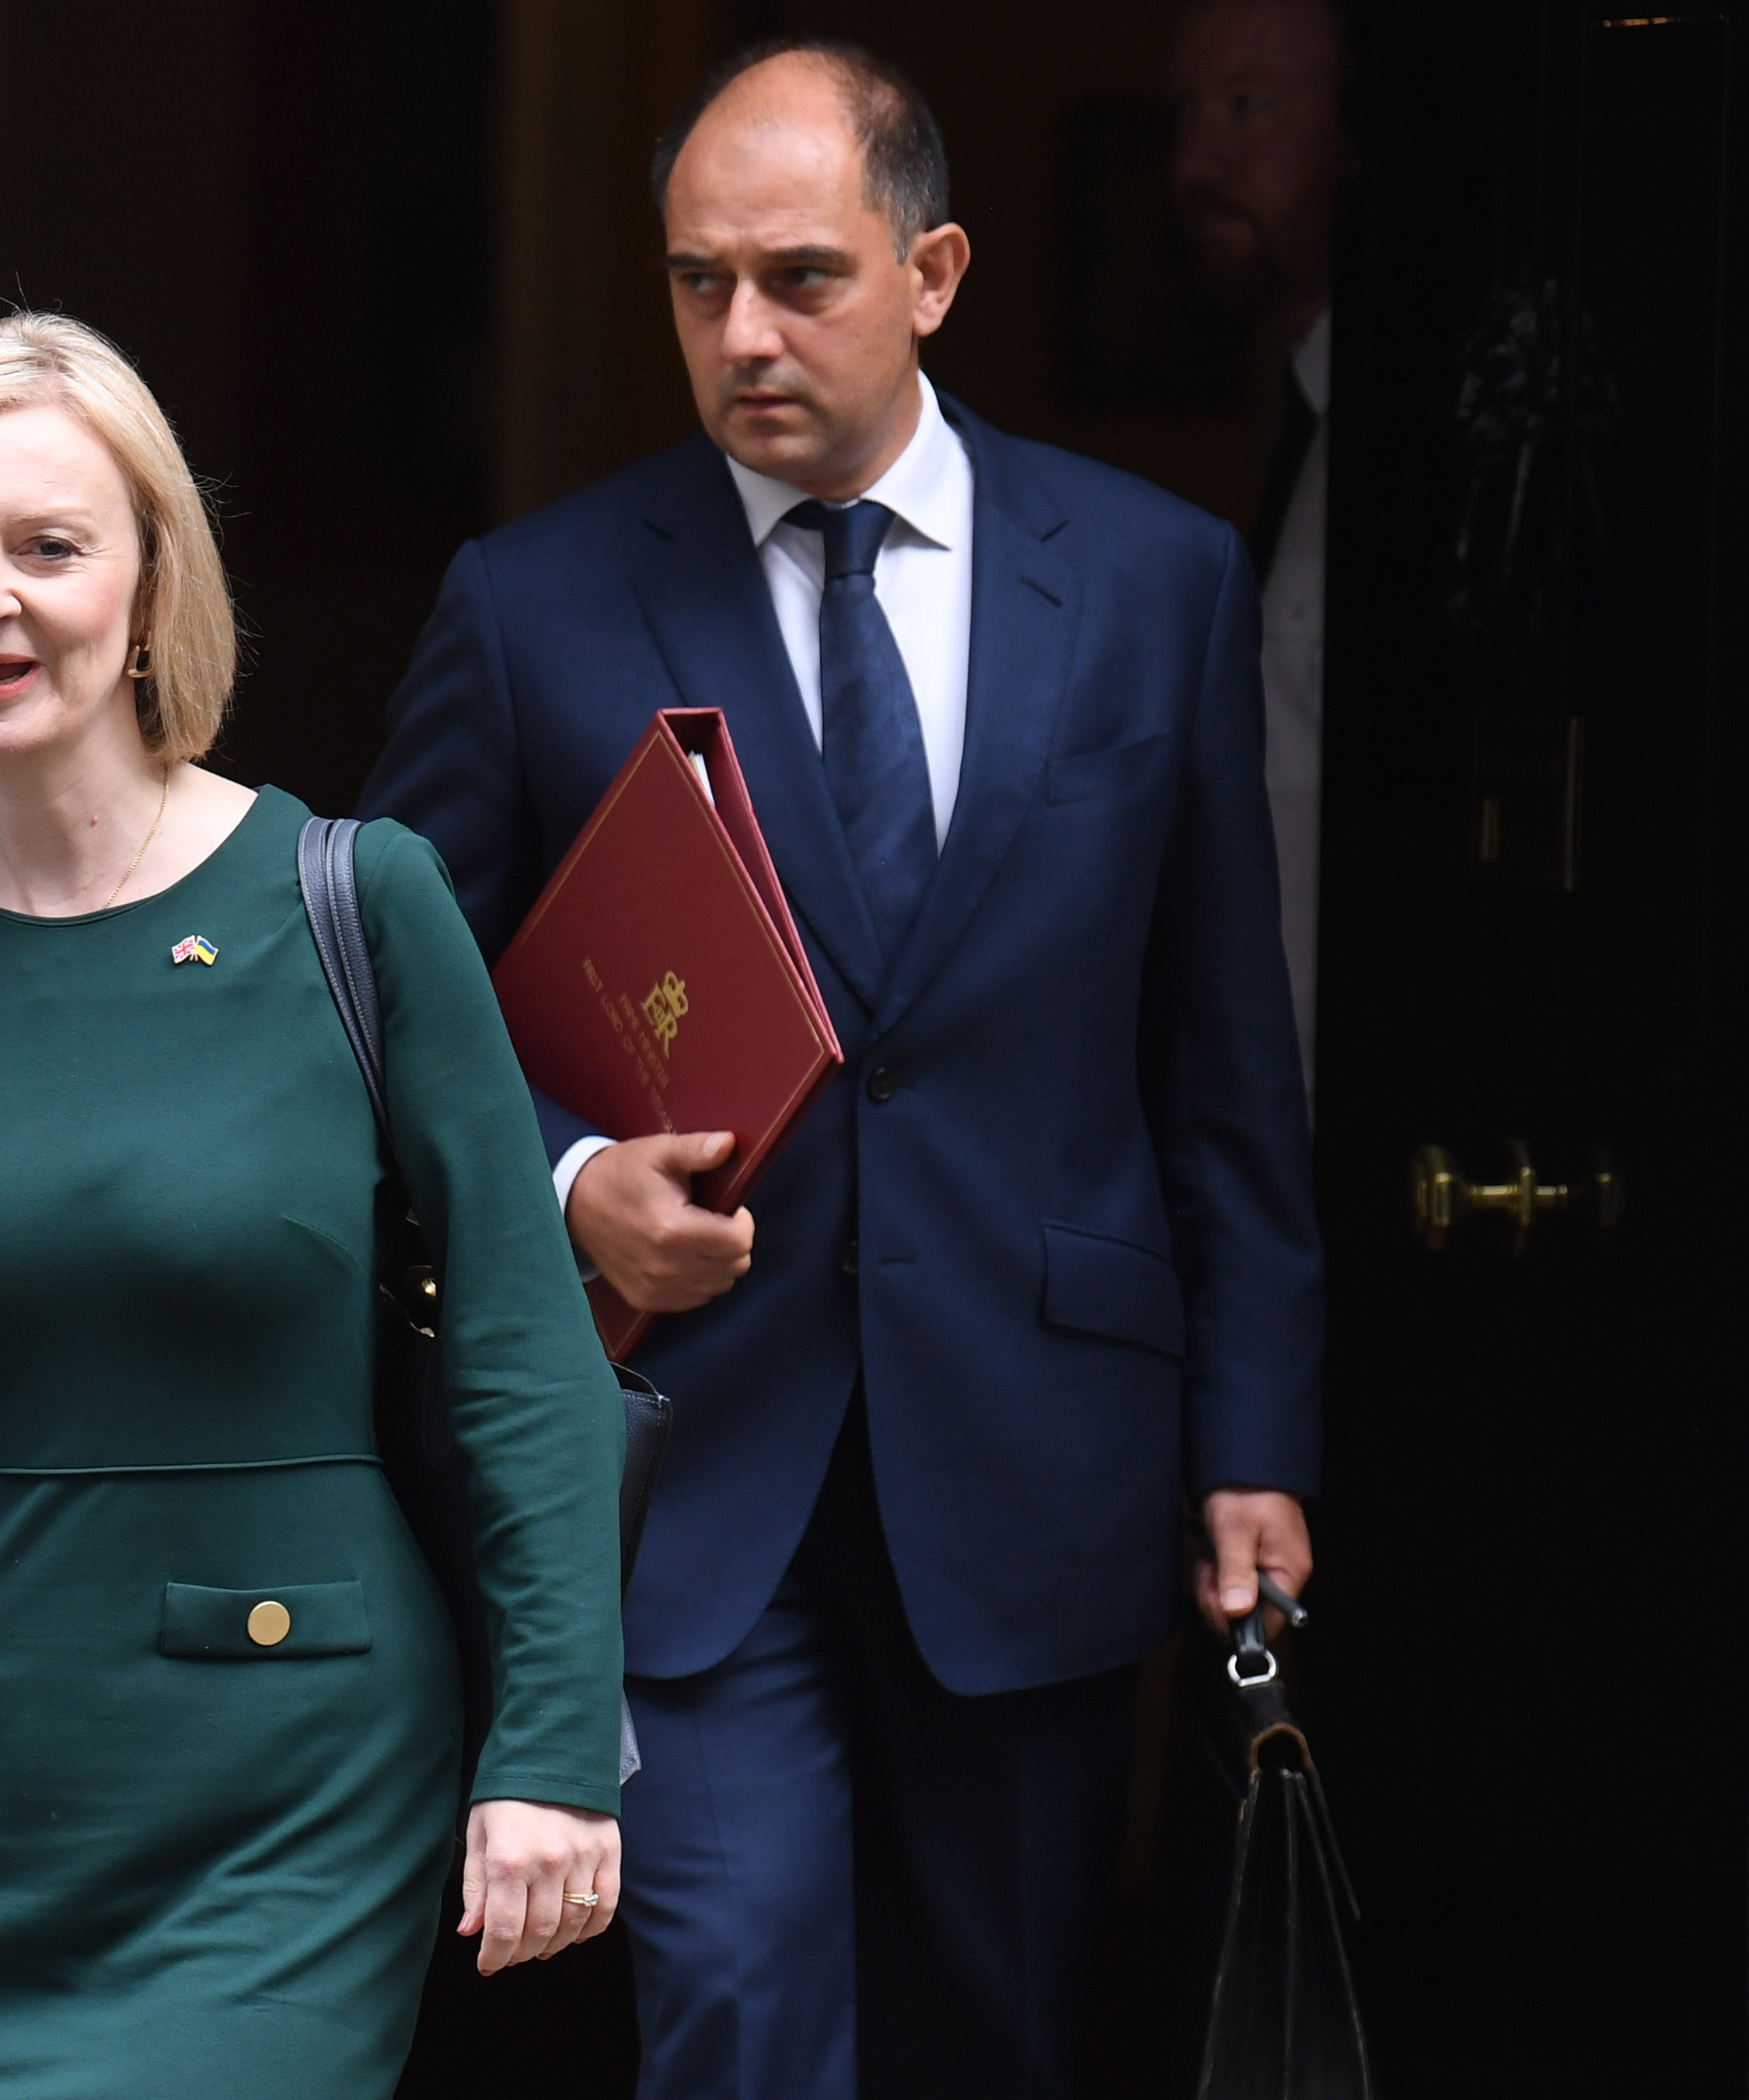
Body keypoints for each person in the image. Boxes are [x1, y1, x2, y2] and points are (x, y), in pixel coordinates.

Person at [360, 40, 1324, 2100]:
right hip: (693, 1461)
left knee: (1001, 2031)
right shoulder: (532, 603)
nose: (742, 333)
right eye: (698, 282)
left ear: (937, 270)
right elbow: (379, 1003)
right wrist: (559, 1183)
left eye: (799, 276)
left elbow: (1220, 1057)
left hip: (1041, 1447)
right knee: (733, 2017)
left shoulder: (1157, 582)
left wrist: (1254, 1430)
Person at [0, 313, 625, 2098]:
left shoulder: (357, 902)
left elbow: (518, 1353)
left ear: (149, 581)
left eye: (46, 546)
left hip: (284, 1795)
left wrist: (553, 1746)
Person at [1172, 0, 1344, 1093]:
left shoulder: (1447, 434)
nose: (1196, 157)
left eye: (1245, 106)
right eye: (1183, 112)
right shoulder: (1295, 406)